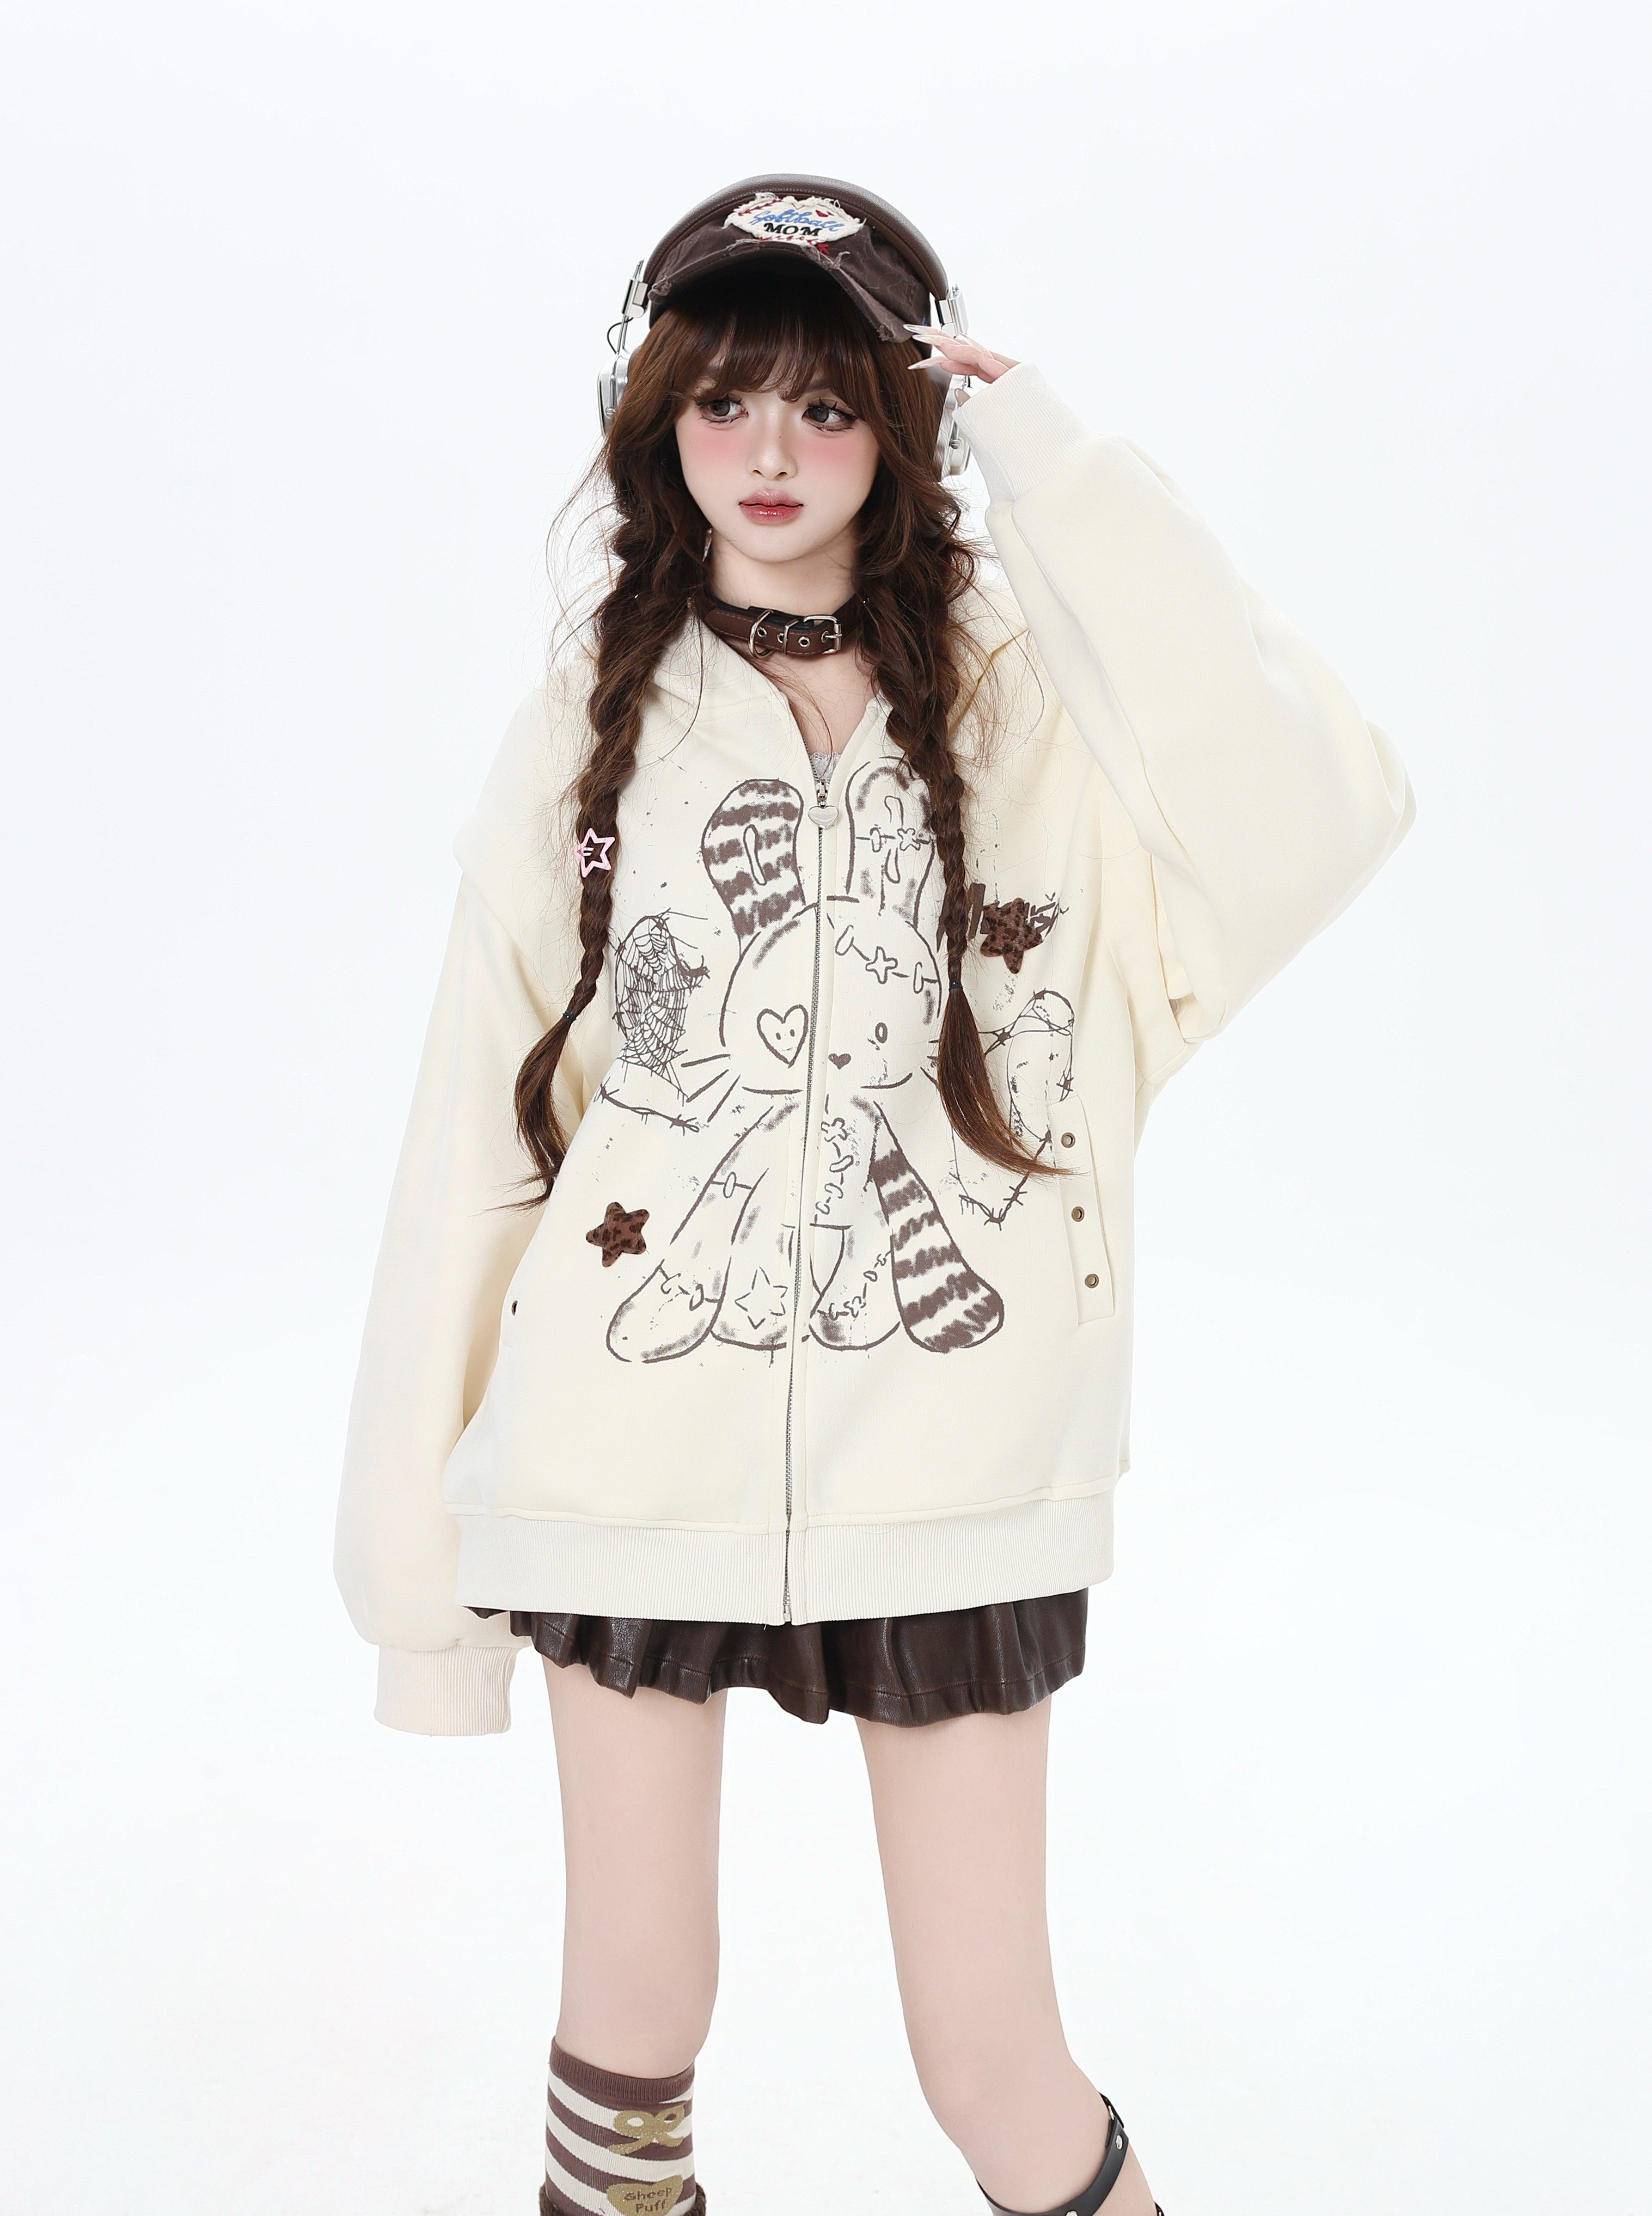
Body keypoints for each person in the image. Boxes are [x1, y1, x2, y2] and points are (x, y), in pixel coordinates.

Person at [334, 176, 1414, 2216]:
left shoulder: (1035, 708)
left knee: (991, 2060)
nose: (769, 451)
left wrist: (1060, 470)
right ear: (657, 411)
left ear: (906, 426)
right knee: (632, 2014)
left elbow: (1321, 805)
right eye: (725, 397)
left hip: (960, 1454)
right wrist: (420, 1589)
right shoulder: (593, 720)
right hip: (621, 1450)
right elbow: (472, 1145)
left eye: (827, 405)